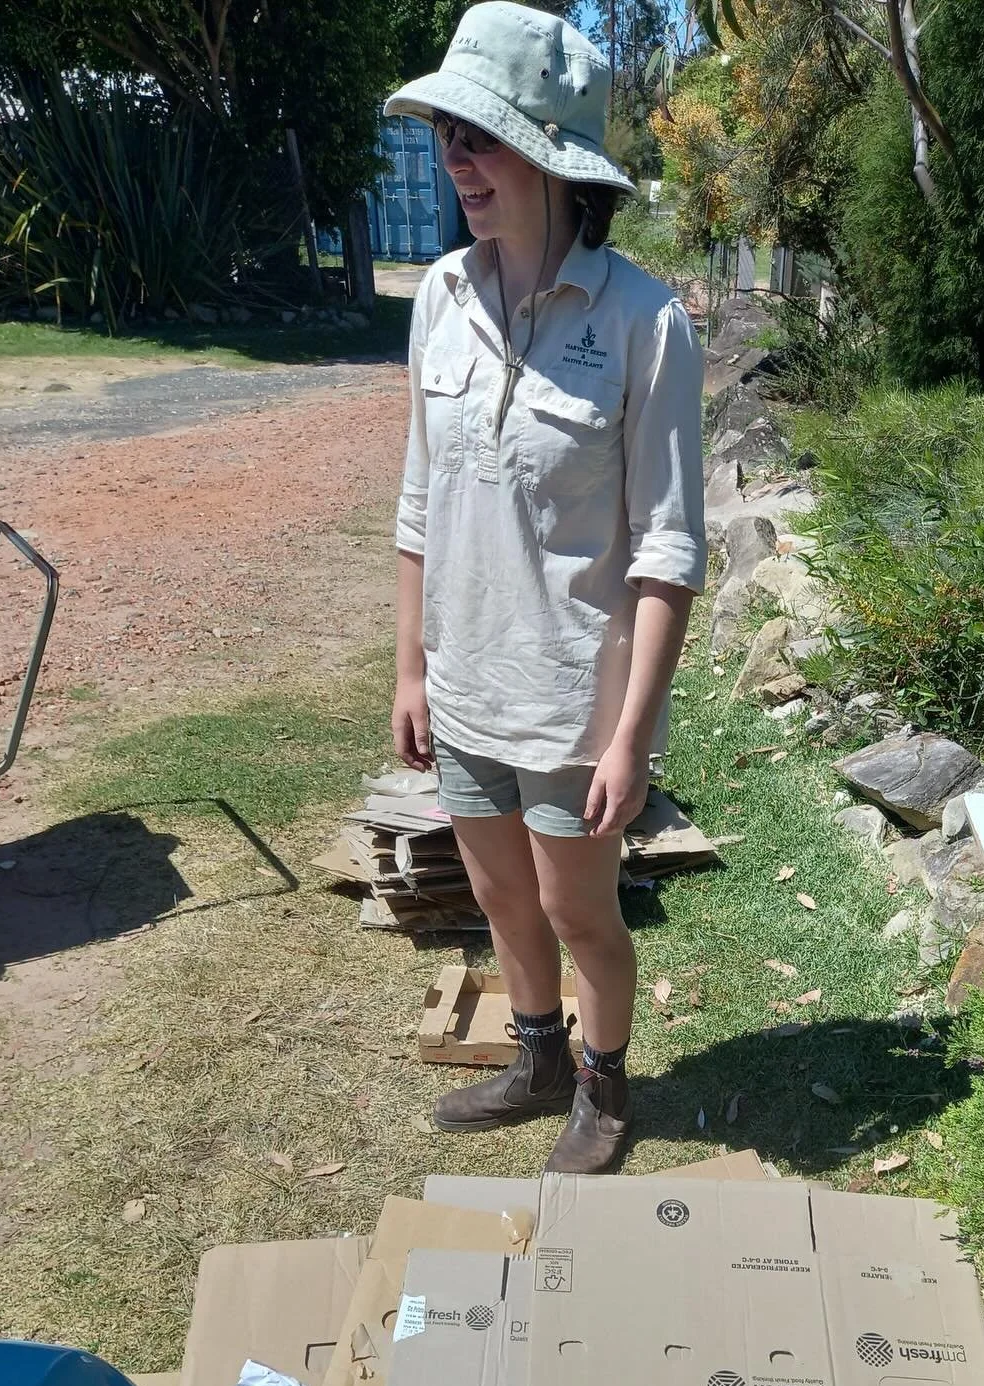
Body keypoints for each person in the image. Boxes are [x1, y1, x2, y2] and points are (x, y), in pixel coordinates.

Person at [386, 2, 707, 1175]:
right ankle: (532, 1056)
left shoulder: (644, 323)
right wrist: (412, 666)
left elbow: (669, 550)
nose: (456, 158)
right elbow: (422, 502)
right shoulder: (439, 298)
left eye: (483, 134)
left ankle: (605, 1088)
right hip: (466, 683)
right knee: (498, 899)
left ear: (558, 161)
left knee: (581, 914)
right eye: (448, 135)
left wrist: (631, 736)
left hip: (576, 702)